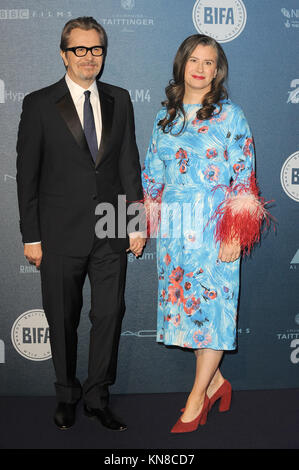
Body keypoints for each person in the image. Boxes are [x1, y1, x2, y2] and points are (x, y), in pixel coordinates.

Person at [16, 16, 146, 431]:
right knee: (63, 318)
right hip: (57, 236)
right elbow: (27, 176)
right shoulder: (38, 103)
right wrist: (31, 235)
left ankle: (97, 397)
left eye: (97, 49)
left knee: (109, 317)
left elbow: (129, 164)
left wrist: (136, 222)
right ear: (63, 53)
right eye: (80, 49)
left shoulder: (120, 99)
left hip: (111, 231)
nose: (89, 57)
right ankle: (66, 395)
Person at [142, 34, 271, 433]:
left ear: (218, 70)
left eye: (209, 62)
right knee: (188, 311)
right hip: (176, 233)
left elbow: (244, 177)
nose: (199, 68)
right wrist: (141, 225)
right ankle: (216, 382)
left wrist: (236, 230)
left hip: (216, 228)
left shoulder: (230, 116)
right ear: (181, 64)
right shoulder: (166, 118)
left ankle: (196, 399)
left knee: (214, 312)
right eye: (193, 60)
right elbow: (152, 176)